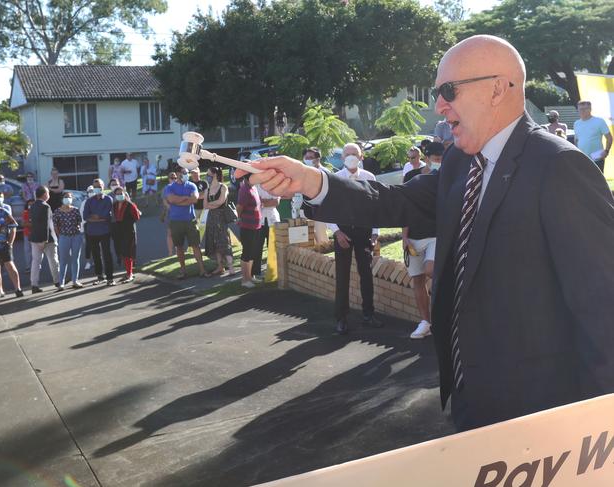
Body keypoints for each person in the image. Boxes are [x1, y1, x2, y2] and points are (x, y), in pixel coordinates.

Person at [242, 35, 614, 432]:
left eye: (448, 90)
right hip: (471, 400)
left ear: (497, 88)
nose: (439, 105)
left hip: (543, 416)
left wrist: (596, 434)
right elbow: (392, 201)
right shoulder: (458, 163)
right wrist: (311, 181)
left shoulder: (559, 168)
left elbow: (603, 309)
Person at [326, 143, 380, 335]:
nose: (351, 157)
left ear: (361, 156)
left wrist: (375, 233)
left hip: (364, 232)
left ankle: (368, 314)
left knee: (366, 274)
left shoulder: (369, 178)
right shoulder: (335, 180)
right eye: (347, 154)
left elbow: (375, 209)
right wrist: (337, 232)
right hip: (344, 232)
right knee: (342, 276)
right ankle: (341, 318)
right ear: (342, 158)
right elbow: (328, 210)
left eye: (354, 154)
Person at [401, 142, 444, 340]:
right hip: (414, 236)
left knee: (431, 271)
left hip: (436, 235)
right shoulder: (411, 177)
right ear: (426, 158)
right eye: (436, 159)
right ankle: (426, 321)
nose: (439, 163)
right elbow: (405, 207)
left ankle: (442, 318)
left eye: (441, 159)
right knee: (417, 279)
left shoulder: (445, 178)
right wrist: (404, 237)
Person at [163, 167, 207, 279]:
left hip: (190, 221)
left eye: (187, 172)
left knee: (196, 245)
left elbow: (195, 199)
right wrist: (186, 199)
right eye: (184, 173)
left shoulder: (191, 185)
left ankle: (202, 270)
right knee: (179, 247)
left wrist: (179, 201)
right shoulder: (170, 187)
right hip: (176, 221)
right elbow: (171, 199)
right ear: (178, 174)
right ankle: (183, 271)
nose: (186, 174)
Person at [203, 167, 235, 276]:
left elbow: (221, 201)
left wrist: (212, 204)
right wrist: (214, 204)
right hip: (211, 218)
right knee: (214, 242)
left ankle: (231, 268)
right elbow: (205, 205)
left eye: (208, 174)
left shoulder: (223, 187)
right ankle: (220, 267)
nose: (207, 176)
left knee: (225, 242)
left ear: (215, 175)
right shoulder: (207, 189)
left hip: (221, 218)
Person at [84, 179, 116, 286]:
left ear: (103, 187)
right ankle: (99, 276)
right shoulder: (89, 201)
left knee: (107, 254)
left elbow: (107, 216)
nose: (97, 188)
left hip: (105, 231)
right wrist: (99, 218)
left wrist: (96, 217)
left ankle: (110, 278)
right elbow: (86, 216)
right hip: (92, 232)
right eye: (95, 186)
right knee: (96, 255)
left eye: (99, 186)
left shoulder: (108, 199)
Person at [29, 186, 60, 293]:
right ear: (44, 194)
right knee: (53, 260)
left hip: (35, 238)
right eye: (48, 193)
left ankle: (34, 284)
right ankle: (58, 281)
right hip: (47, 239)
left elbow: (34, 223)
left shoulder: (32, 206)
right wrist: (44, 240)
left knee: (36, 262)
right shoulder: (45, 206)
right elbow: (46, 224)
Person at [53, 192, 84, 289]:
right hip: (64, 237)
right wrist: (60, 236)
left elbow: (79, 222)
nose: (67, 199)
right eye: (65, 197)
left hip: (76, 236)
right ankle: (61, 283)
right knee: (63, 260)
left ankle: (75, 280)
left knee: (75, 259)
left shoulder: (75, 210)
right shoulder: (57, 211)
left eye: (69, 197)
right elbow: (55, 226)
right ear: (62, 199)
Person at [236, 173, 262, 288]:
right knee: (246, 253)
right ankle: (245, 280)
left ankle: (250, 277)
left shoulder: (254, 187)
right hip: (247, 226)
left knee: (252, 252)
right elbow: (239, 207)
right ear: (248, 177)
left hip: (256, 226)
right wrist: (239, 217)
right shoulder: (244, 189)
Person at [573, 100, 613, 172]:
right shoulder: (576, 123)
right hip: (583, 157)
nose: (582, 111)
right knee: (585, 181)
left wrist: (606, 151)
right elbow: (576, 140)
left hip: (596, 156)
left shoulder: (599, 121)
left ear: (590, 109)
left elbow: (609, 138)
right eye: (580, 109)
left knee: (598, 181)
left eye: (585, 109)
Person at [302, 147, 330, 244]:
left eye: (311, 157)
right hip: (305, 208)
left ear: (318, 158)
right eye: (306, 157)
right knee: (307, 237)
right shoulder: (302, 172)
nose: (308, 159)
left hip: (321, 209)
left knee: (321, 237)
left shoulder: (326, 172)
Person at [112, 187, 140, 282]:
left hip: (129, 231)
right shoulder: (115, 205)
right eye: (117, 194)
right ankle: (128, 272)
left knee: (129, 253)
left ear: (124, 194)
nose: (119, 195)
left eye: (121, 193)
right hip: (119, 231)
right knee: (123, 253)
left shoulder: (130, 205)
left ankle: (130, 273)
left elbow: (136, 217)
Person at [252, 185, 280, 279]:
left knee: (272, 247)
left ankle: (273, 272)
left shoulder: (274, 186)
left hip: (272, 219)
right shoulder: (255, 186)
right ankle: (256, 272)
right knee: (257, 247)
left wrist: (262, 202)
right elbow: (254, 202)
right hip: (259, 221)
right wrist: (266, 201)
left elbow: (276, 202)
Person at [161, 172, 178, 257]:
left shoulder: (180, 187)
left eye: (175, 178)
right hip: (170, 214)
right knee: (170, 233)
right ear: (169, 179)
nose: (174, 179)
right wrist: (170, 208)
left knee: (178, 233)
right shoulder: (166, 188)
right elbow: (164, 201)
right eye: (172, 178)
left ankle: (178, 251)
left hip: (180, 213)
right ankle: (171, 252)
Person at [79, 186, 94, 271]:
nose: (91, 192)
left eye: (93, 191)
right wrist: (82, 230)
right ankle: (88, 262)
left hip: (97, 225)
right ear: (87, 193)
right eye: (90, 191)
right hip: (87, 226)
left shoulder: (98, 201)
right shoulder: (84, 202)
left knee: (98, 245)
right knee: (88, 245)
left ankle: (98, 260)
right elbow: (81, 216)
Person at [22, 199, 35, 273]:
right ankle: (28, 266)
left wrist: (29, 224)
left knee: (36, 251)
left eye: (33, 204)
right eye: (29, 204)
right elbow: (23, 223)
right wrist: (32, 224)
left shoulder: (37, 212)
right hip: (27, 234)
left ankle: (36, 265)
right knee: (27, 251)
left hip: (36, 234)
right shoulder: (25, 212)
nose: (31, 206)